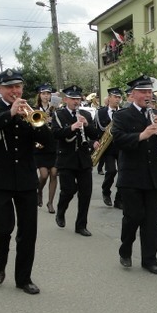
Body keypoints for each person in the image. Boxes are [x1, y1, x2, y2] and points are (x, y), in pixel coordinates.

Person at [0, 69, 53, 295]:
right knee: (1, 229)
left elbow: (48, 142)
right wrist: (10, 113)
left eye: (18, 86)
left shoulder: (30, 112)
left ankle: (23, 278)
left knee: (28, 232)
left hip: (25, 178)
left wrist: (38, 123)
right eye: (9, 87)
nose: (15, 91)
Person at [111, 75, 157, 274]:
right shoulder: (122, 116)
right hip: (131, 176)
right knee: (133, 217)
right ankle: (126, 249)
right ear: (133, 95)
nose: (148, 95)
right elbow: (118, 140)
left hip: (155, 175)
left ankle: (150, 259)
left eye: (149, 92)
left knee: (152, 220)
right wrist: (142, 135)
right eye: (143, 92)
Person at [51, 85, 100, 237]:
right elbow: (56, 134)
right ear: (66, 99)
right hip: (66, 159)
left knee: (86, 193)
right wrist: (72, 127)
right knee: (68, 190)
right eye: (73, 99)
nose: (76, 102)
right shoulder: (59, 114)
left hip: (83, 159)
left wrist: (86, 125)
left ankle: (81, 225)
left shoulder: (86, 114)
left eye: (78, 99)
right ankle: (61, 210)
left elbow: (95, 134)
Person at [96, 87, 123, 207]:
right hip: (108, 147)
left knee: (123, 173)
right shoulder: (101, 112)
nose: (117, 99)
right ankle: (106, 191)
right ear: (109, 98)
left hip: (121, 146)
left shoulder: (123, 112)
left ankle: (119, 199)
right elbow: (98, 129)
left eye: (119, 97)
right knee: (111, 171)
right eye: (115, 97)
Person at [33, 83, 58, 214]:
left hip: (53, 145)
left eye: (48, 94)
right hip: (40, 146)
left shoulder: (55, 109)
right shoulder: (34, 109)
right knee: (43, 174)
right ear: (39, 95)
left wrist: (53, 120)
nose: (46, 96)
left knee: (53, 173)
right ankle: (39, 190)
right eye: (43, 94)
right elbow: (31, 127)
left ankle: (50, 203)